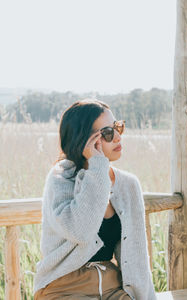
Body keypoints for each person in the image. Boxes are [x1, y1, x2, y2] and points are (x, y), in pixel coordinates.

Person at [33, 99, 157, 300]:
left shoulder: (128, 184)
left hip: (111, 286)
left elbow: (137, 256)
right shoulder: (61, 178)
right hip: (64, 287)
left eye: (117, 127)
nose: (117, 137)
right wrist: (98, 166)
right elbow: (81, 231)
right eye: (108, 133)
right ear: (84, 140)